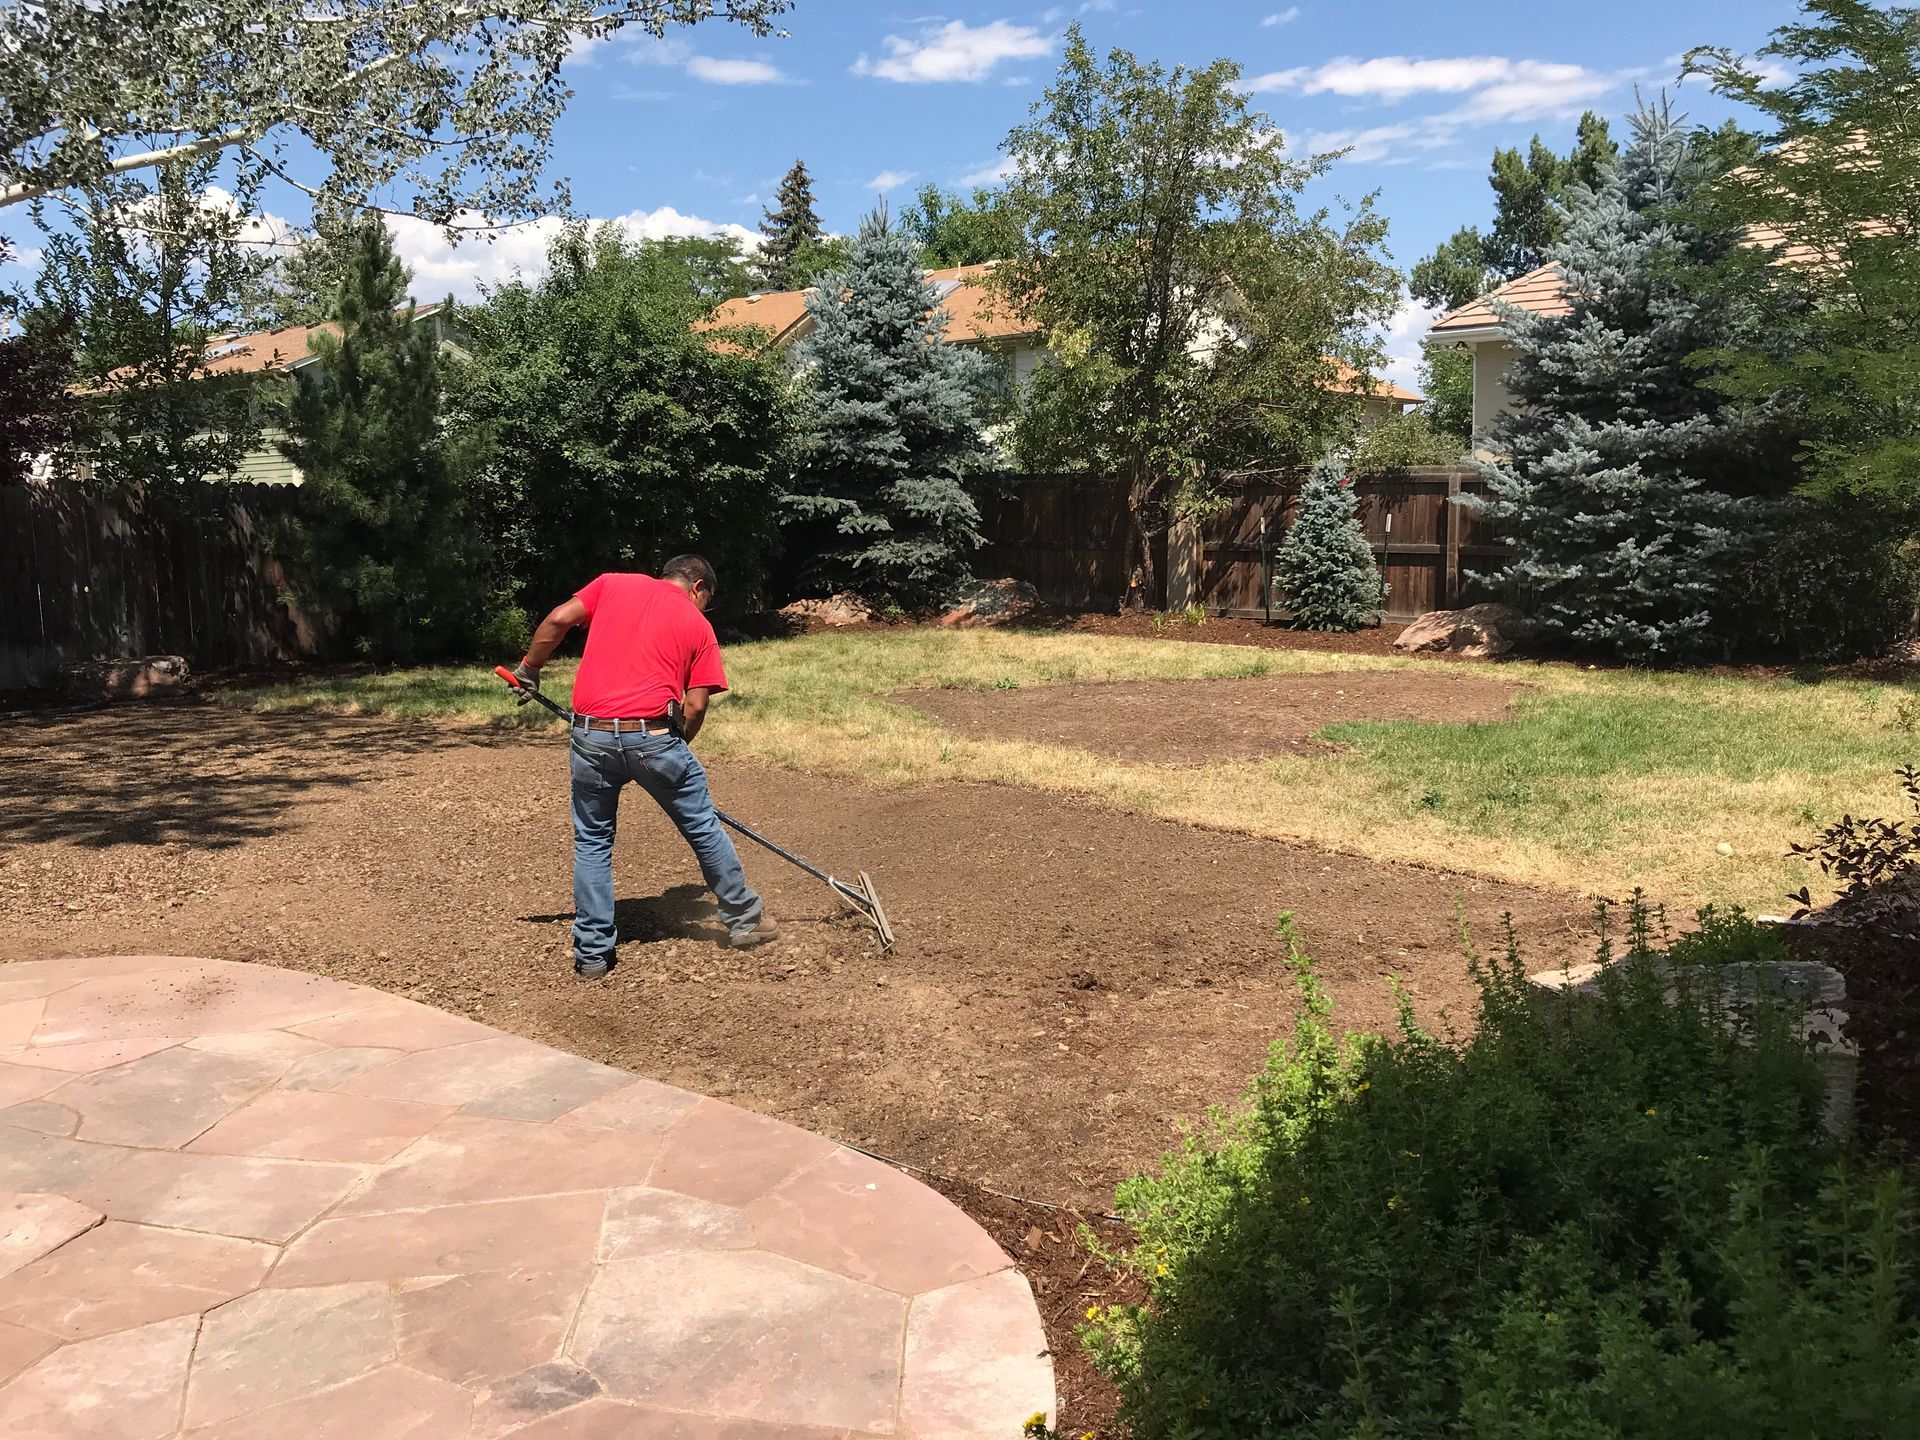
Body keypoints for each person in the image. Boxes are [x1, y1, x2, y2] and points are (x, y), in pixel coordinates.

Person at [510, 554, 778, 978]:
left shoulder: (612, 584)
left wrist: (530, 669)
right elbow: (695, 706)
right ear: (698, 587)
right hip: (653, 737)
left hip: (591, 736)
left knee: (593, 841)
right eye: (707, 599)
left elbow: (559, 619)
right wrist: (672, 754)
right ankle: (744, 920)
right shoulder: (698, 626)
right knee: (703, 827)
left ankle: (593, 952)